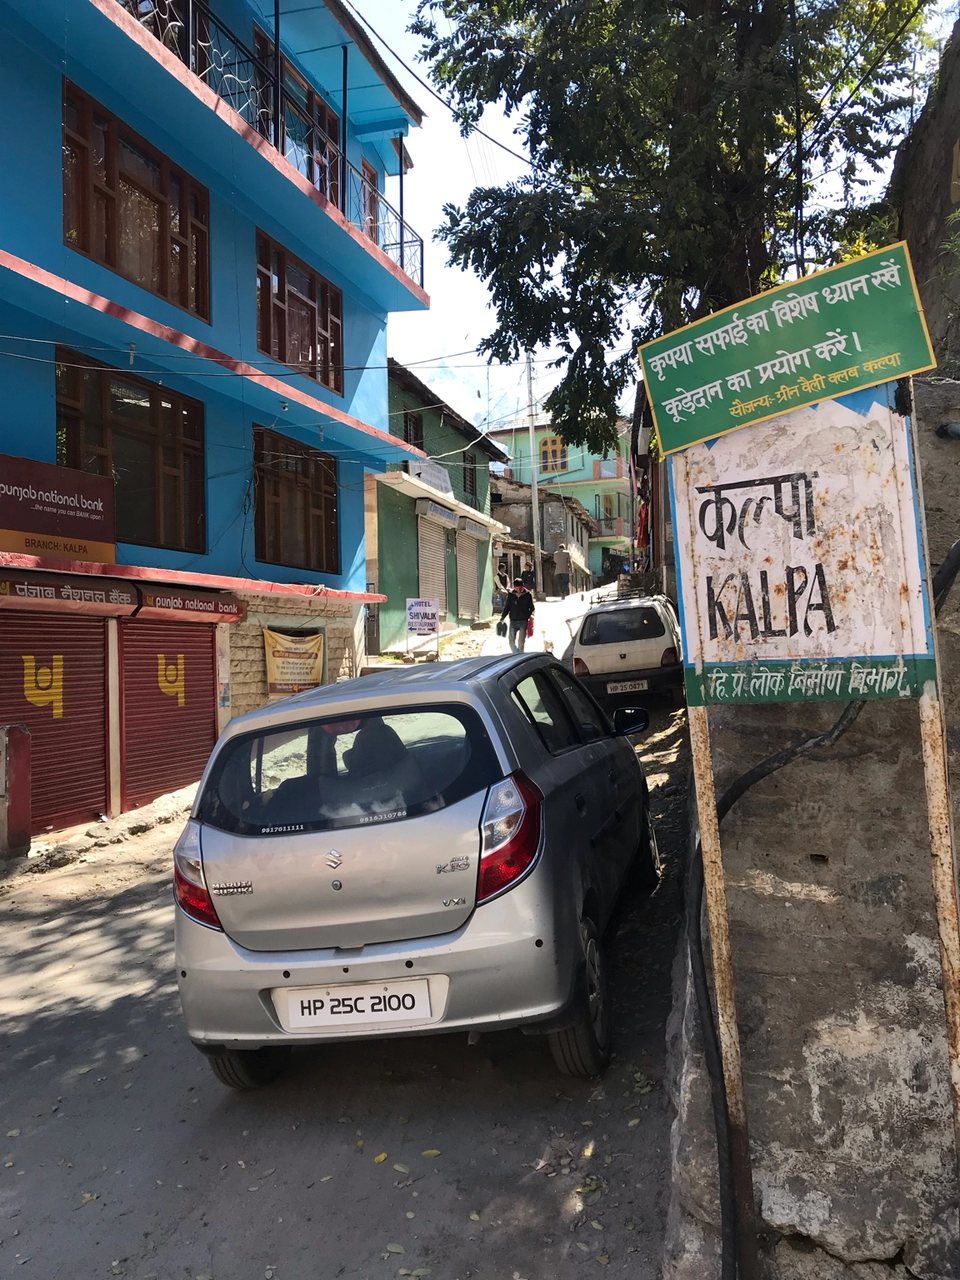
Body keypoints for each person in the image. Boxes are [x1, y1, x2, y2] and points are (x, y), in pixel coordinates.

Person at [500, 578, 535, 652]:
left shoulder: (527, 595)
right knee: (511, 641)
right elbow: (507, 607)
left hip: (523, 621)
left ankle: (520, 656)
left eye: (520, 588)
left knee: (521, 642)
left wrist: (532, 615)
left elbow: (532, 608)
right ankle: (516, 654)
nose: (518, 590)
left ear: (522, 586)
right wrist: (503, 617)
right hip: (513, 620)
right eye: (516, 588)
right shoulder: (511, 595)